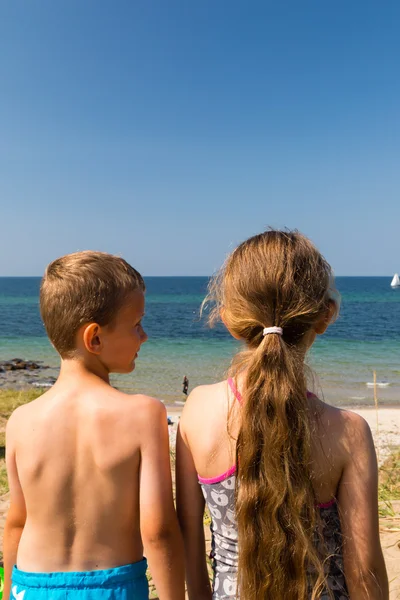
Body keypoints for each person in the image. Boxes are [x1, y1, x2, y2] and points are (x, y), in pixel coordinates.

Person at [176, 230, 388, 600]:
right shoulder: (348, 432)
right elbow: (364, 571)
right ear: (326, 316)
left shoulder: (197, 409)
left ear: (228, 319)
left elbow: (190, 548)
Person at [3, 251, 185, 600]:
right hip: (112, 588)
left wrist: (7, 592)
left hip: (30, 586)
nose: (144, 336)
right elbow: (158, 531)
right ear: (95, 339)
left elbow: (16, 522)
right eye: (136, 324)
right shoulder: (143, 415)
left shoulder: (21, 421)